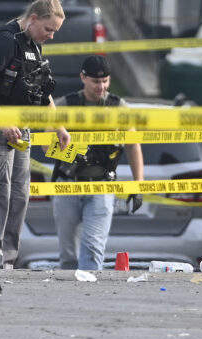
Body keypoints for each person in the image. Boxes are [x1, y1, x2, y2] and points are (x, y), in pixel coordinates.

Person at [0, 0, 70, 269]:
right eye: (48, 29)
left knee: (19, 197)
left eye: (55, 32)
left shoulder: (33, 44)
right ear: (33, 18)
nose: (51, 36)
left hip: (20, 127)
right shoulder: (6, 40)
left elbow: (42, 90)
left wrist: (58, 126)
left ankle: (8, 264)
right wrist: (2, 122)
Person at [51, 55, 144, 270]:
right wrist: (74, 153)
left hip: (102, 184)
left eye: (105, 81)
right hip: (68, 184)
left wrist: (139, 185)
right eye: (95, 82)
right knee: (68, 254)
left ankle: (90, 296)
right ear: (83, 78)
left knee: (93, 249)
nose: (101, 87)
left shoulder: (118, 107)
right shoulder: (66, 105)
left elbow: (133, 145)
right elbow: (45, 144)